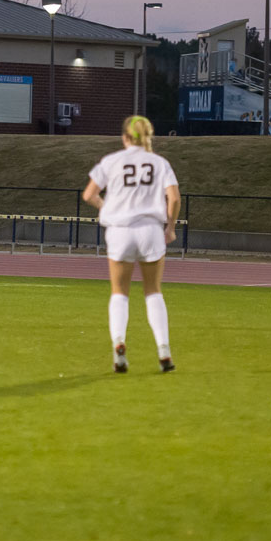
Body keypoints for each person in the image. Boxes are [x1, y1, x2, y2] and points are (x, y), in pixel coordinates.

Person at [82, 115, 180, 374]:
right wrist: (170, 227)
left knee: (119, 292)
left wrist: (107, 207)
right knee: (153, 291)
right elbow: (174, 197)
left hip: (120, 231)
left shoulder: (112, 161)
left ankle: (119, 346)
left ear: (125, 137)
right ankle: (163, 349)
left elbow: (89, 194)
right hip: (150, 230)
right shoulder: (160, 163)